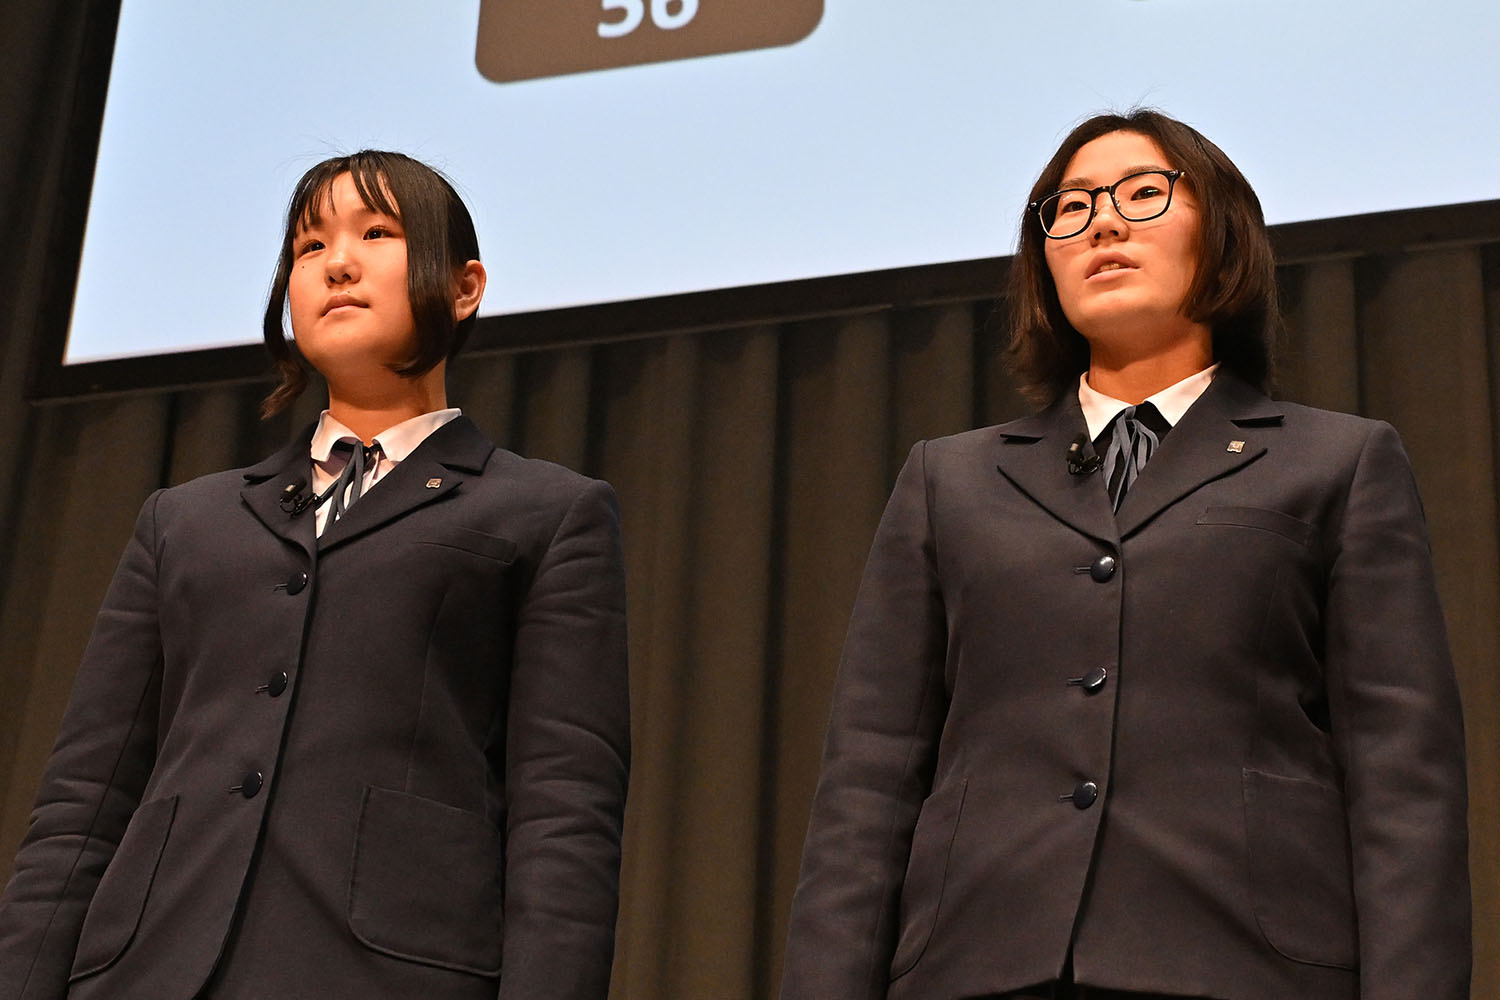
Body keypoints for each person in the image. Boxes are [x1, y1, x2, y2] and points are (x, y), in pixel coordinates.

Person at [780, 110, 1470, 1000]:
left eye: (1144, 194)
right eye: (1070, 208)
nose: (1102, 222)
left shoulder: (1339, 462)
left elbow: (1404, 783)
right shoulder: (948, 480)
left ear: (1222, 236)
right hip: (978, 966)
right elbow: (868, 784)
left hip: (1244, 968)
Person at [0, 151, 630, 1000]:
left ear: (464, 286)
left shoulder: (546, 513)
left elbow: (566, 817)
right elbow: (82, 803)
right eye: (309, 246)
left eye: (377, 233)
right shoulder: (183, 521)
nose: (337, 263)